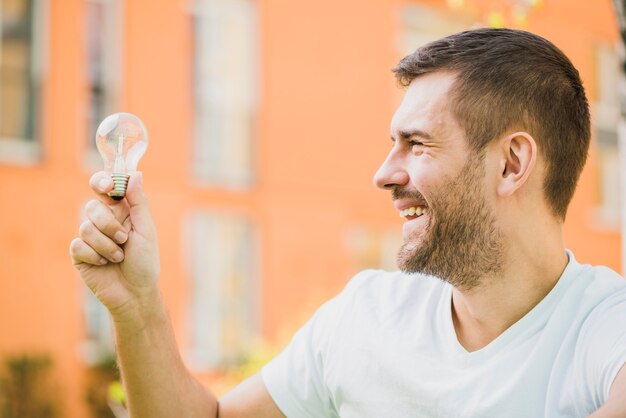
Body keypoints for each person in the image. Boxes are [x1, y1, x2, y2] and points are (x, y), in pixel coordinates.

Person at [70, 28, 626, 417]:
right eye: (392, 144)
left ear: (511, 164)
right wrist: (136, 304)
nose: (384, 174)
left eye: (417, 145)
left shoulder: (606, 325)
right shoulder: (366, 316)